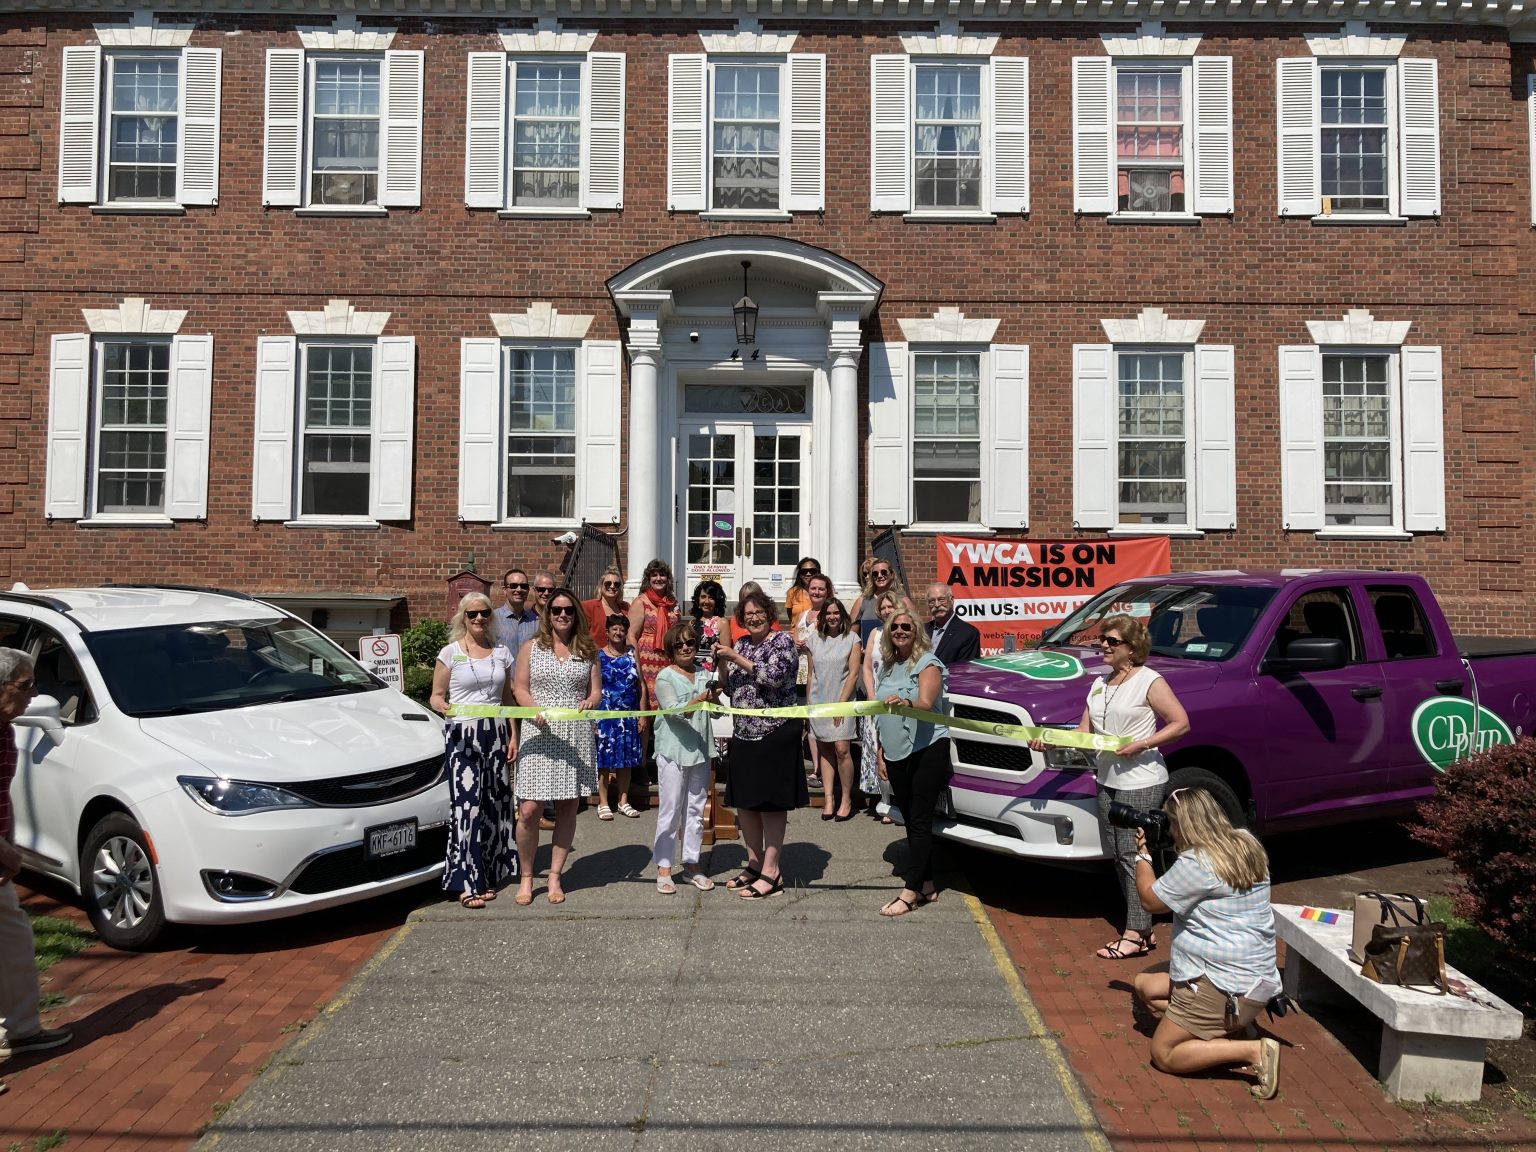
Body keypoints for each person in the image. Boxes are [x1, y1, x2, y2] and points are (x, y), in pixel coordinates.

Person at [1034, 613, 1190, 960]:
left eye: (1112, 641)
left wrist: (1143, 743)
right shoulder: (1100, 684)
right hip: (1107, 780)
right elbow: (1084, 734)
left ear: (1132, 648)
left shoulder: (1149, 681)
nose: (1103, 645)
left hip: (1142, 780)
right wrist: (1048, 739)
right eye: (1102, 639)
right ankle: (1141, 926)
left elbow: (1180, 723)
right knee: (1120, 855)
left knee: (1135, 854)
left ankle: (1136, 932)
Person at [1131, 788, 1284, 1101]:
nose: (1171, 831)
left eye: (1172, 824)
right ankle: (1233, 1028)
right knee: (1145, 986)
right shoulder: (1247, 842)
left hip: (1223, 986)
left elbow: (1150, 900)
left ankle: (1254, 1051)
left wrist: (1143, 854)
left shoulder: (1197, 863)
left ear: (1184, 825)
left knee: (1164, 1053)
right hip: (1256, 982)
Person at [0, 649, 72, 1092]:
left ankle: (22, 1030)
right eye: (25, 685)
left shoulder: (4, 730)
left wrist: (8, 843)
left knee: (14, 943)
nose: (34, 694)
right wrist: (7, 854)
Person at [429, 594, 520, 909]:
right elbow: (436, 695)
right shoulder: (450, 653)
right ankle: (465, 881)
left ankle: (487, 874)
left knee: (495, 804)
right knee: (466, 808)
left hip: (496, 733)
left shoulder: (502, 653)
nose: (479, 618)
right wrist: (444, 707)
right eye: (472, 614)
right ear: (463, 617)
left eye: (484, 613)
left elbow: (507, 701)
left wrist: (513, 736)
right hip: (463, 734)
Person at [512, 587, 602, 906]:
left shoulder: (587, 650)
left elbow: (596, 691)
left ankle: (554, 875)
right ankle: (526, 876)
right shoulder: (531, 647)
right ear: (547, 615)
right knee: (529, 810)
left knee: (567, 807)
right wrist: (532, 708)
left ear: (576, 614)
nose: (562, 614)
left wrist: (590, 701)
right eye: (556, 610)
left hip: (574, 735)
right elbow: (519, 687)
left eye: (568, 610)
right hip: (538, 733)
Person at [715, 589, 802, 899]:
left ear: (769, 614)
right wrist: (722, 665)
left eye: (758, 612)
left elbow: (774, 678)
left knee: (770, 804)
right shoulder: (740, 644)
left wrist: (735, 658)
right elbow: (731, 688)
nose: (753, 618)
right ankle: (754, 865)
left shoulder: (782, 643)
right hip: (744, 733)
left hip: (774, 733)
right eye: (747, 614)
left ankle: (772, 871)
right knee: (747, 803)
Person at [874, 609, 952, 916]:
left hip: (927, 748)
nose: (900, 630)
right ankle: (928, 884)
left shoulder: (927, 663)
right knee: (909, 819)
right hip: (895, 750)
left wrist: (906, 703)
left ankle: (911, 892)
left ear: (916, 630)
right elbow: (880, 711)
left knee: (919, 820)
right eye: (895, 627)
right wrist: (880, 750)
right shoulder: (887, 666)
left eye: (906, 626)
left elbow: (926, 703)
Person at [651, 621, 719, 894]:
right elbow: (675, 712)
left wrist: (715, 699)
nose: (685, 648)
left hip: (700, 750)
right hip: (673, 751)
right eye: (679, 644)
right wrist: (703, 698)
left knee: (695, 810)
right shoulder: (665, 677)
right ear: (671, 649)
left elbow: (716, 713)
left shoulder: (704, 674)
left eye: (690, 642)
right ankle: (664, 867)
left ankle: (691, 863)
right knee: (670, 810)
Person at [806, 596, 862, 822]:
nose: (832, 617)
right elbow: (811, 674)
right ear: (823, 616)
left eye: (836, 613)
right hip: (819, 701)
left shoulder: (852, 639)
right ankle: (828, 798)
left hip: (842, 700)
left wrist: (841, 704)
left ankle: (846, 798)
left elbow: (854, 674)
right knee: (825, 748)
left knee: (842, 748)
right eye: (828, 613)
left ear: (842, 615)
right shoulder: (813, 640)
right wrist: (809, 704)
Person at [595, 613, 647, 820]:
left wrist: (642, 715)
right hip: (604, 716)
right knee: (604, 761)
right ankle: (603, 802)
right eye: (614, 629)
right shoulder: (598, 655)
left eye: (622, 630)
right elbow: (592, 686)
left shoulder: (632, 653)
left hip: (628, 716)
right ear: (607, 632)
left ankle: (623, 801)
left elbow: (640, 684)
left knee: (626, 760)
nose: (618, 632)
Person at [860, 591, 900, 823]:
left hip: (896, 701)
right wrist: (871, 695)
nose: (886, 611)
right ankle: (885, 801)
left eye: (890, 607)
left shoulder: (902, 633)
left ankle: (898, 800)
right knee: (876, 748)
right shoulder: (874, 634)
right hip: (876, 701)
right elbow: (867, 667)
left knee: (893, 749)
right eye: (883, 607)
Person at [628, 559, 681, 720]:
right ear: (648, 579)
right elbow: (631, 635)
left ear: (668, 578)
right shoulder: (641, 602)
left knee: (667, 701)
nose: (658, 578)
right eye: (654, 575)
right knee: (648, 706)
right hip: (646, 661)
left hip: (668, 660)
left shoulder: (673, 603)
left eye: (662, 575)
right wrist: (635, 663)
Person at [851, 560, 918, 644]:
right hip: (868, 650)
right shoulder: (862, 601)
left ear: (892, 574)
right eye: (875, 574)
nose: (879, 576)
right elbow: (851, 635)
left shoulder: (904, 601)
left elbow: (916, 629)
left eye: (883, 572)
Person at [926, 583, 981, 665]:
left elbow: (965, 669)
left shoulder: (968, 633)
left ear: (951, 599)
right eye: (932, 601)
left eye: (941, 600)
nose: (937, 605)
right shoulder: (922, 630)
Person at [494, 566, 539, 657]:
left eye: (523, 586)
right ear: (504, 590)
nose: (519, 590)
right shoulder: (492, 619)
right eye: (513, 586)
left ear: (528, 590)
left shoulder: (537, 621)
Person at [583, 565, 629, 647]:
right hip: (595, 653)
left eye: (616, 584)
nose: (612, 586)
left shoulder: (626, 608)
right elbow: (582, 635)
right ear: (601, 586)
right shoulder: (588, 607)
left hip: (621, 653)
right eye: (608, 583)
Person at [689, 579, 728, 673]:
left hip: (712, 672)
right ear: (698, 599)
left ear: (716, 601)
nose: (706, 601)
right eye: (703, 597)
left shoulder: (722, 623)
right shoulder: (692, 623)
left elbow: (726, 656)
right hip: (692, 671)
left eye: (711, 598)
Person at [784, 557, 822, 623]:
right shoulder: (792, 592)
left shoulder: (824, 592)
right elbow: (790, 616)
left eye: (812, 571)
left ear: (818, 573)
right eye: (804, 571)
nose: (808, 574)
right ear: (800, 574)